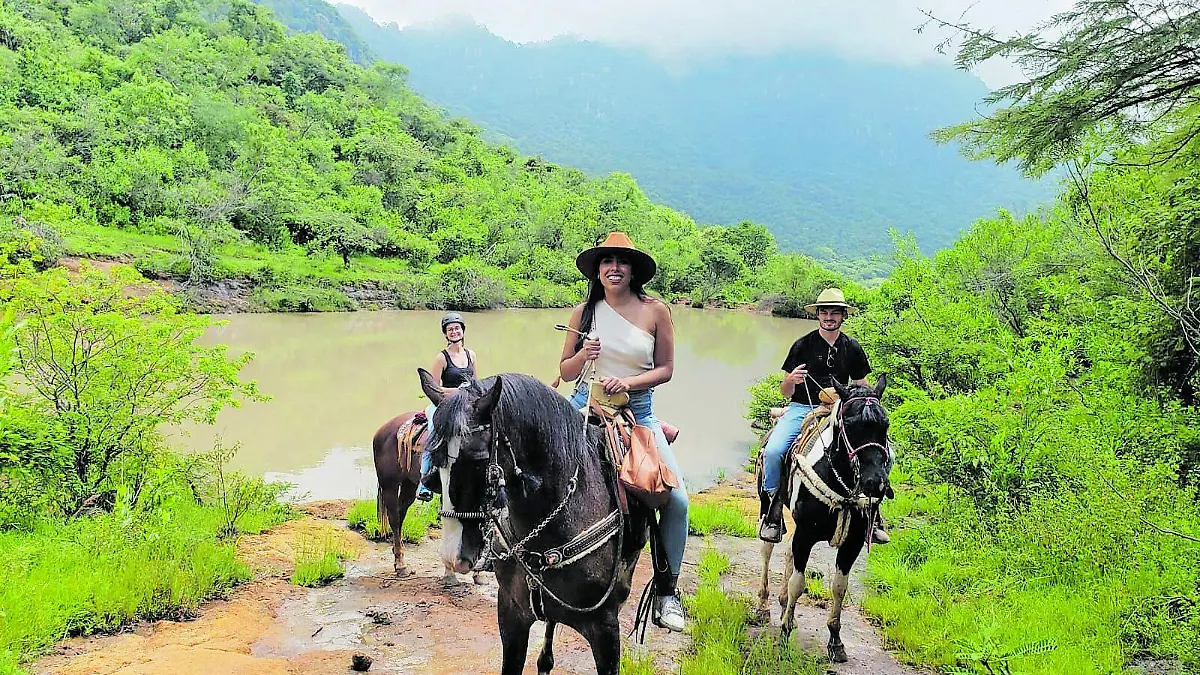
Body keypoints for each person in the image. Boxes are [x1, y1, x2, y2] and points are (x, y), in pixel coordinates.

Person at [557, 231, 689, 633]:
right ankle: (506, 549)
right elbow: (565, 371)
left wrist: (627, 383)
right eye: (607, 261)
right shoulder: (584, 312)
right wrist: (584, 354)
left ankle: (667, 592)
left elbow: (666, 369)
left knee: (677, 501)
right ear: (597, 270)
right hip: (585, 404)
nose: (614, 268)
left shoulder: (655, 311)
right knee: (532, 466)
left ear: (633, 270)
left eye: (622, 262)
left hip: (638, 412)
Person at [757, 288, 889, 543]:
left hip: (840, 408)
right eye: (824, 312)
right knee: (773, 451)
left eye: (835, 313)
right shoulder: (802, 345)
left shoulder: (852, 347)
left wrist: (867, 402)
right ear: (817, 314)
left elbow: (861, 384)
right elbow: (785, 391)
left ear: (843, 316)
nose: (829, 317)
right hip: (801, 407)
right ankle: (772, 508)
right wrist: (791, 380)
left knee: (885, 453)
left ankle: (872, 509)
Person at [416, 312, 479, 502]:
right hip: (443, 403)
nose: (454, 332)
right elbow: (433, 387)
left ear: (463, 330)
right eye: (450, 329)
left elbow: (476, 382)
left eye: (457, 328)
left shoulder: (471, 355)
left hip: (466, 403)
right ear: (445, 334)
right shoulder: (441, 358)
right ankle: (425, 481)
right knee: (434, 432)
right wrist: (458, 391)